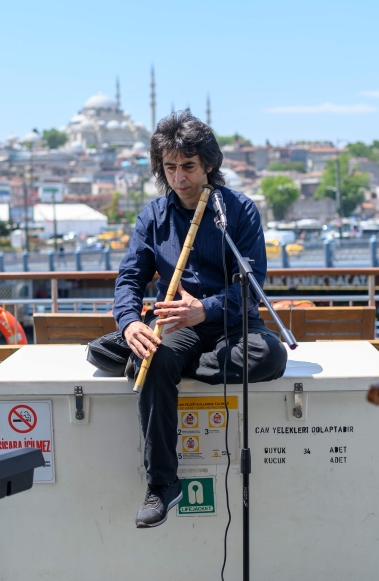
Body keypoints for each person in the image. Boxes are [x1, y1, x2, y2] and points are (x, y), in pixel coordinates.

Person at [114, 111, 288, 528]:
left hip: (230, 324)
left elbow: (251, 284)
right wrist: (129, 323)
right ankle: (162, 484)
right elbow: (129, 279)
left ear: (208, 163)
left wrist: (204, 309)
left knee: (271, 357)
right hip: (176, 326)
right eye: (170, 167)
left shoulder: (239, 211)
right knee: (154, 357)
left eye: (188, 166)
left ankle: (164, 365)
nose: (179, 177)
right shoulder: (153, 217)